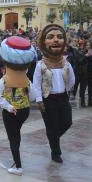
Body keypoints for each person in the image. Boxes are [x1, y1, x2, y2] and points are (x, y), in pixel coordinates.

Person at [0, 37, 40, 175]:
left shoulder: (4, 80)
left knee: (13, 137)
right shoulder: (26, 80)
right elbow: (32, 96)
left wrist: (8, 106)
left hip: (11, 112)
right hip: (24, 111)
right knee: (16, 134)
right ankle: (16, 160)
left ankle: (18, 166)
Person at [33, 24, 74, 163]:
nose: (56, 40)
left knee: (67, 122)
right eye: (50, 37)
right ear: (44, 42)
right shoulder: (40, 64)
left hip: (62, 97)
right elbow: (36, 83)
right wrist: (39, 100)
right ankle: (55, 152)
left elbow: (72, 80)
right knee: (51, 126)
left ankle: (53, 138)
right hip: (47, 99)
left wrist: (67, 90)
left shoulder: (66, 63)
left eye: (60, 37)